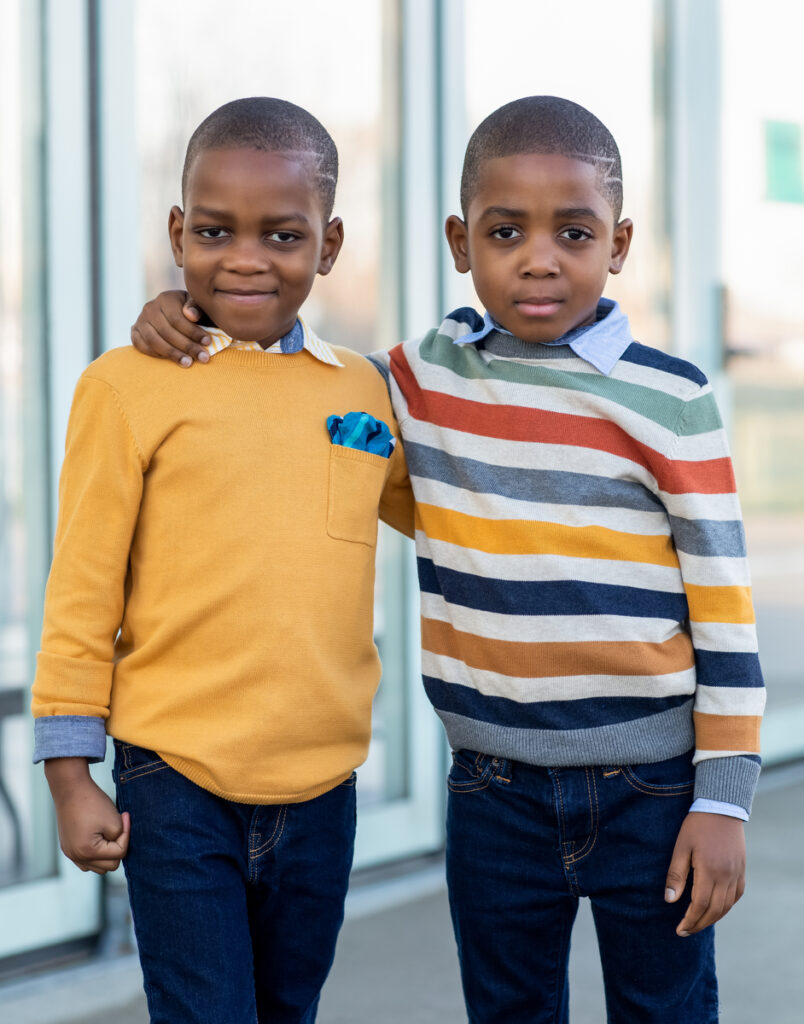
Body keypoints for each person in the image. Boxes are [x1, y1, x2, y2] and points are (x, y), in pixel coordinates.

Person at [132, 96, 764, 1023]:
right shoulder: (419, 380)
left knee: (666, 1010)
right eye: (507, 232)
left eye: (575, 232)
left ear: (619, 243)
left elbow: (724, 608)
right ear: (461, 243)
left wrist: (726, 801)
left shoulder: (672, 400)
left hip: (654, 789)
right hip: (492, 790)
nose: (540, 257)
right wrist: (183, 314)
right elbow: (294, 381)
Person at [31, 96, 413, 1024]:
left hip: (323, 787)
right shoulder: (125, 386)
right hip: (175, 780)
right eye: (214, 231)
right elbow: (82, 589)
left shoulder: (364, 388)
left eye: (282, 235)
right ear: (177, 232)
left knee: (288, 1010)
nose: (244, 258)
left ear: (327, 246)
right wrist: (70, 772)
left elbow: (452, 514)